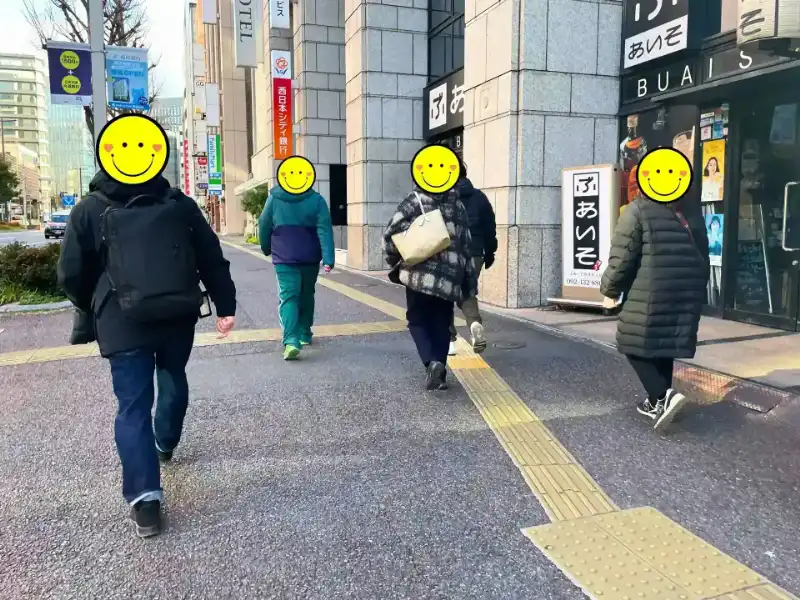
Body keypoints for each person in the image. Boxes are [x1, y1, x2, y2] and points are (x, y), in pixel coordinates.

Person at [58, 170, 237, 538]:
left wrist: (91, 301)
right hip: (177, 313)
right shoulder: (178, 203)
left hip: (120, 320)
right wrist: (225, 304)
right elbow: (210, 255)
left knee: (133, 406)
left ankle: (145, 502)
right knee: (173, 374)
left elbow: (71, 273)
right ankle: (165, 441)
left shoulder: (89, 209)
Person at [600, 195, 709, 431]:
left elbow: (622, 257)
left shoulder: (637, 209)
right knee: (663, 343)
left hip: (650, 288)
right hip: (686, 288)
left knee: (630, 341)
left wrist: (609, 289)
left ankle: (663, 396)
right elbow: (703, 252)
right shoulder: (688, 210)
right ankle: (656, 403)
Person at [383, 181, 479, 391]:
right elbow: (466, 244)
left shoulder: (413, 201)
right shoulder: (457, 204)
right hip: (449, 276)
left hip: (419, 274)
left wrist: (393, 260)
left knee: (417, 320)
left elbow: (391, 235)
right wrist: (468, 281)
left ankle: (430, 362)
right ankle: (440, 373)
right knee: (442, 323)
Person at [258, 179, 334, 360]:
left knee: (289, 297)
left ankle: (291, 340)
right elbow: (324, 229)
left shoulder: (274, 198)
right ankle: (305, 333)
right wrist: (328, 259)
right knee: (307, 294)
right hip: (310, 257)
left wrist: (266, 247)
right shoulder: (317, 200)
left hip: (284, 257)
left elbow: (264, 223)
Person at [448, 164, 497, 356]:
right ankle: (474, 323)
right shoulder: (479, 197)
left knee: (444, 297)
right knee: (467, 292)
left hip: (449, 253)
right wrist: (490, 252)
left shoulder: (443, 197)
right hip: (475, 253)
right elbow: (489, 228)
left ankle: (450, 341)